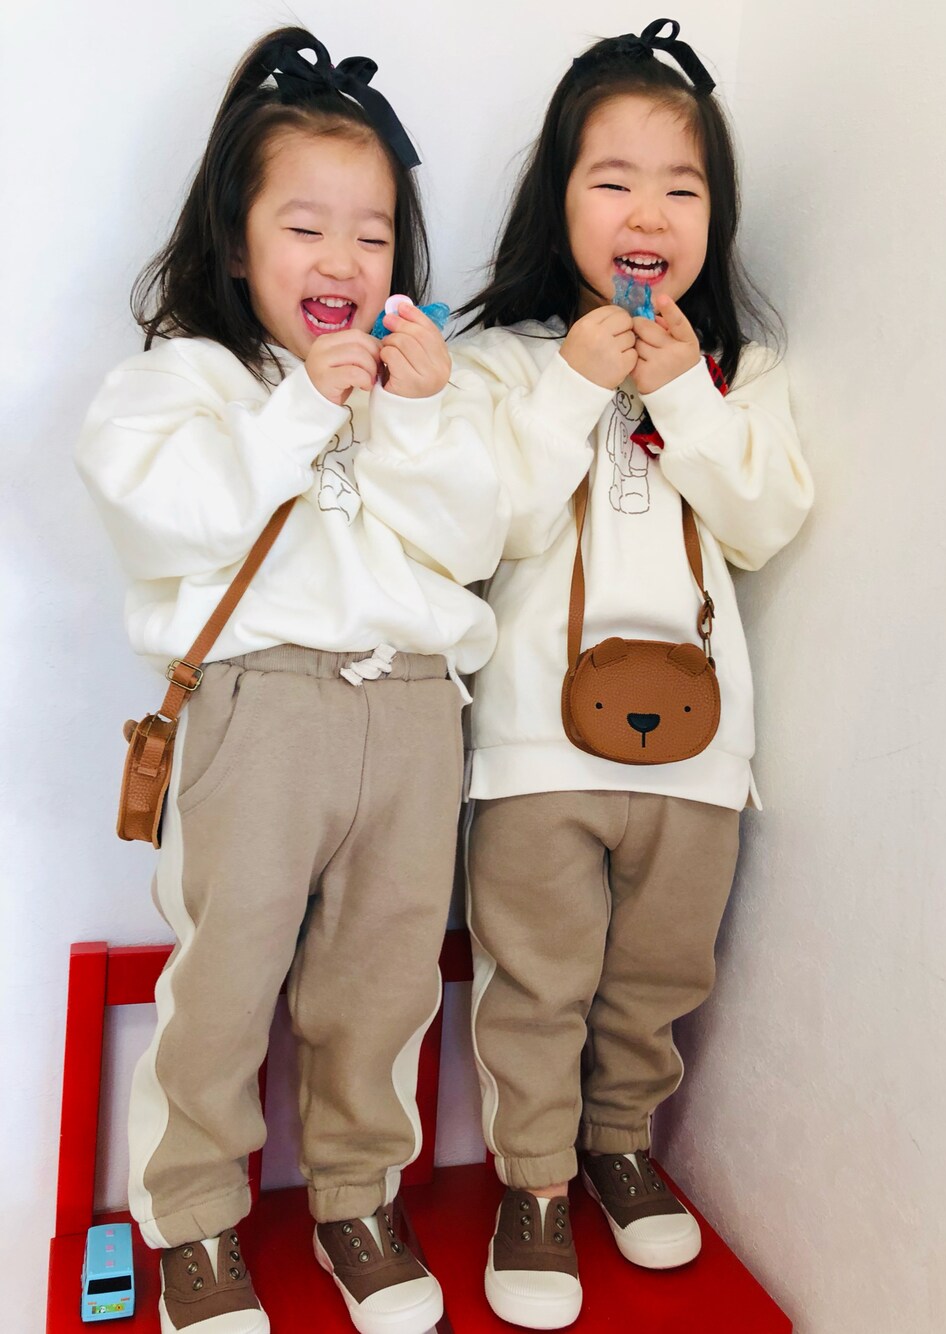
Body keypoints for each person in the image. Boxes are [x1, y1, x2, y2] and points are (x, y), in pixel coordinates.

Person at [76, 27, 505, 1334]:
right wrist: (305, 406)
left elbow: (476, 542)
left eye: (372, 235)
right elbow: (167, 519)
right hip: (258, 707)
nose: (341, 260)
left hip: (416, 704)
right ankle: (194, 1219)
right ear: (234, 242)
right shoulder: (180, 381)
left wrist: (414, 415)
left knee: (384, 978)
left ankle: (358, 1199)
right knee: (225, 976)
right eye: (304, 227)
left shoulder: (423, 390)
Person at [451, 19, 815, 1329]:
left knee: (662, 974)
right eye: (612, 179)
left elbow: (767, 520)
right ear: (559, 199)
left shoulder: (741, 373)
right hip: (536, 746)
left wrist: (691, 398)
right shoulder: (500, 362)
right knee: (538, 979)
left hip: (702, 756)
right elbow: (479, 526)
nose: (648, 212)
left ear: (717, 215)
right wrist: (568, 387)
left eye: (682, 186)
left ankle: (620, 1146)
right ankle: (534, 1183)